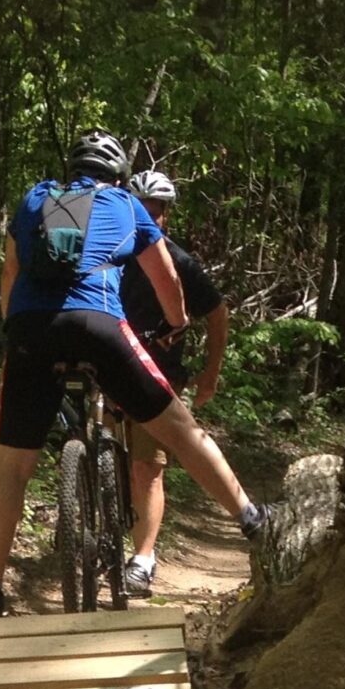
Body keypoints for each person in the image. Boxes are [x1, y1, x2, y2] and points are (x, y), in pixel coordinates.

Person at [0, 131, 267, 618]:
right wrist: (176, 323)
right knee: (178, 425)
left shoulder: (35, 199)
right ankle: (251, 519)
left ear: (72, 169)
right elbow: (166, 277)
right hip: (99, 325)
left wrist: (15, 333)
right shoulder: (128, 206)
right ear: (119, 175)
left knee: (11, 468)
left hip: (29, 331)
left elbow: (10, 274)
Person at [113, 169, 230, 599]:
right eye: (141, 208)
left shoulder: (179, 262)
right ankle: (84, 516)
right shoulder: (110, 252)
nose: (149, 216)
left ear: (166, 215)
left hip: (155, 379)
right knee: (93, 448)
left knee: (146, 467)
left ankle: (142, 558)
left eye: (156, 210)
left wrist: (210, 372)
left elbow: (217, 313)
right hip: (105, 369)